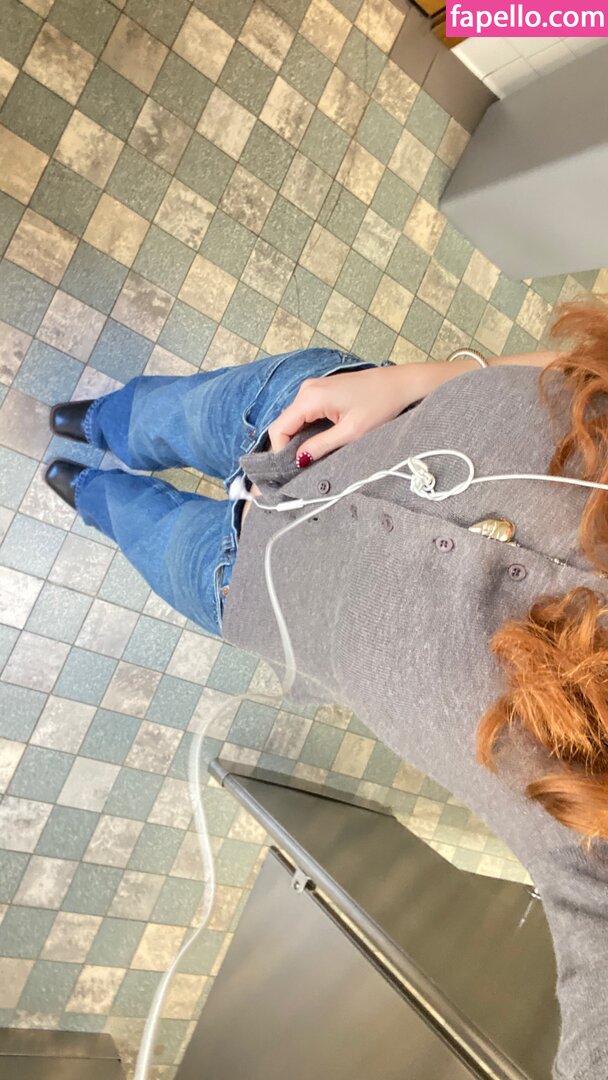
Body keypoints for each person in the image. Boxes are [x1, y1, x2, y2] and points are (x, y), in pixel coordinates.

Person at [46, 294, 608, 1080]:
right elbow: (589, 369)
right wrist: (424, 379)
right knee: (168, 413)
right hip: (318, 417)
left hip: (249, 585)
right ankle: (101, 423)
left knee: (132, 521)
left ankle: (86, 492)